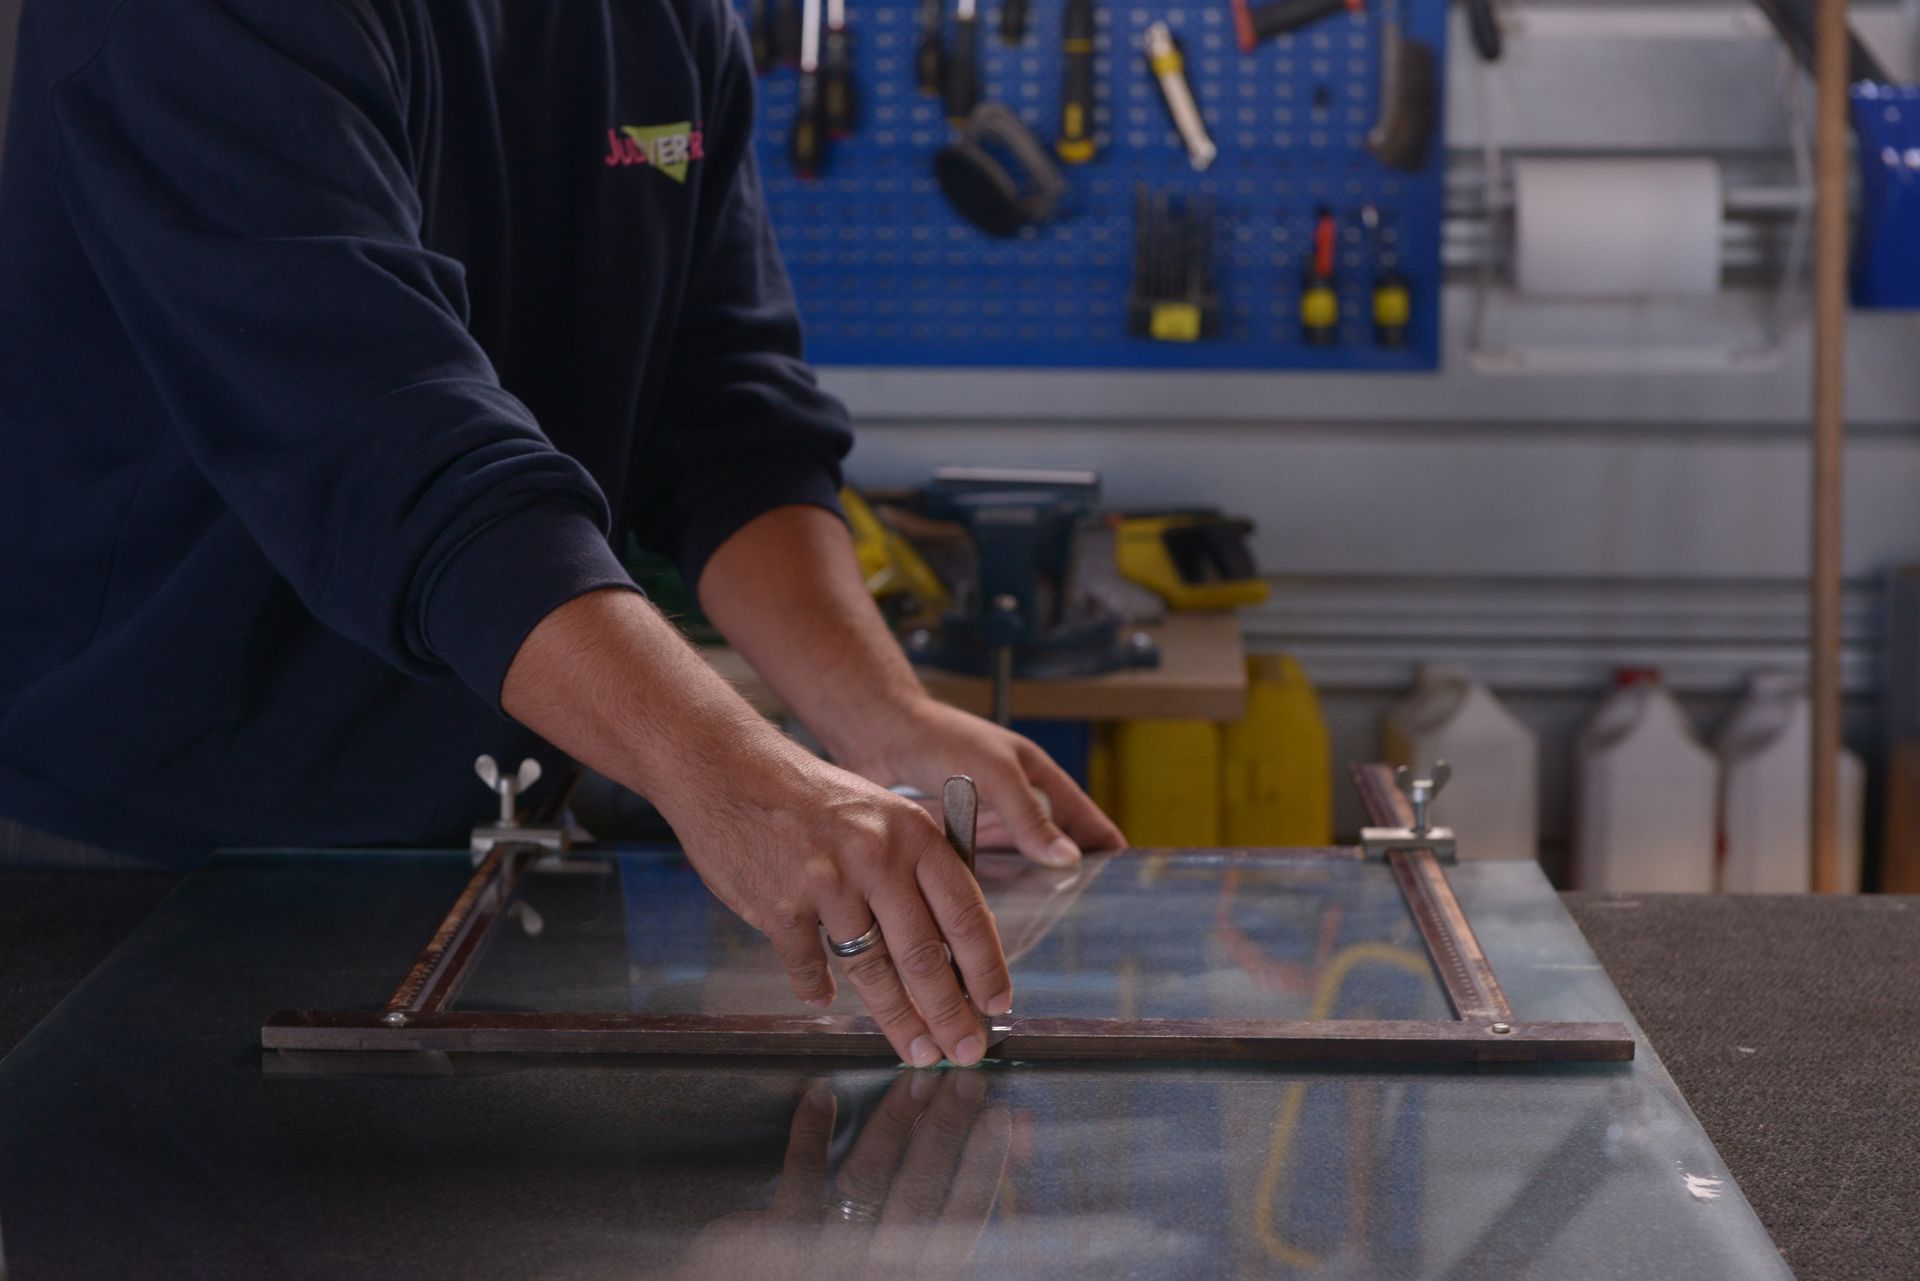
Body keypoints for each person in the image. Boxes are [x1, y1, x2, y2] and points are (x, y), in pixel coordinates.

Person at [0, 0, 1123, 1069]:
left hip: (491, 848)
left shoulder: (667, 21)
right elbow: (390, 445)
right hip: (150, 859)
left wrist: (880, 717)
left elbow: (728, 419)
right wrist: (724, 770)